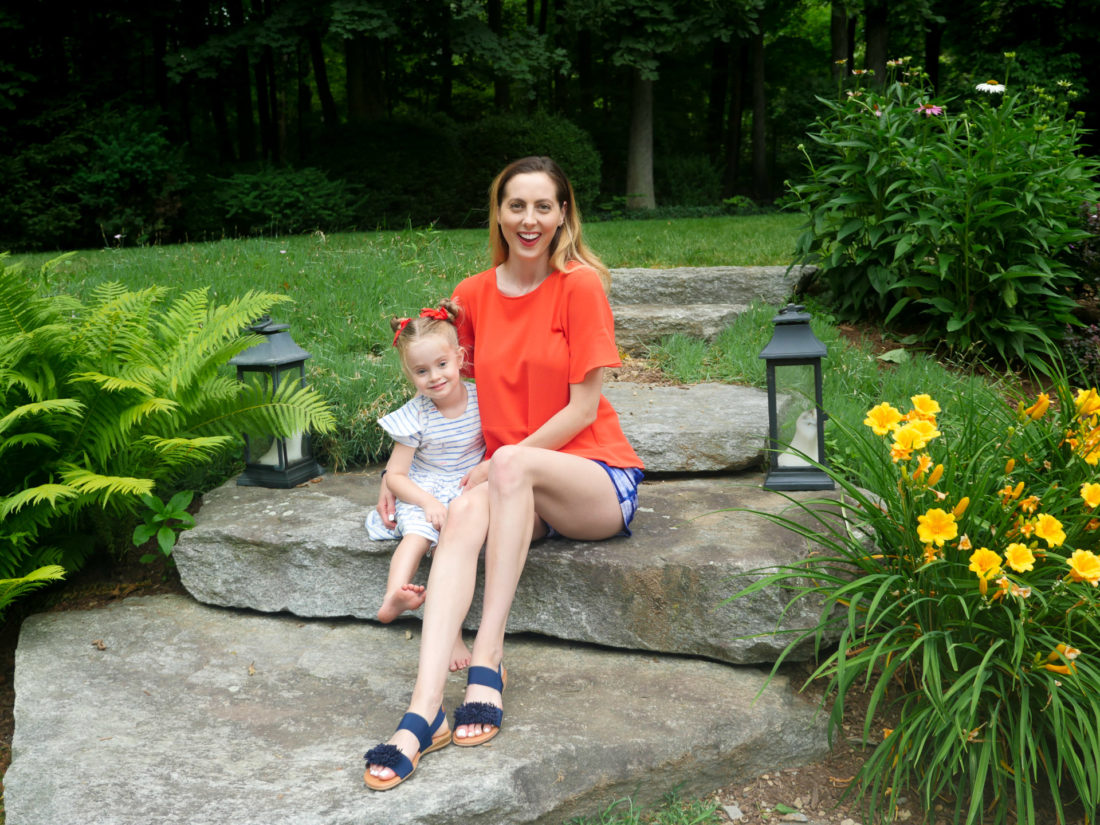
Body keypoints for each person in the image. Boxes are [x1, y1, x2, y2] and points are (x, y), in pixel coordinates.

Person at [364, 156, 644, 791]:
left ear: (564, 214)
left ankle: (487, 659)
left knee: (510, 463)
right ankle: (424, 710)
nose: (530, 219)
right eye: (516, 205)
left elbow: (582, 407)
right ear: (498, 212)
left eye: (544, 206)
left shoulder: (580, 286)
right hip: (512, 488)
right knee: (464, 511)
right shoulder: (469, 296)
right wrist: (397, 466)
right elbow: (434, 382)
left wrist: (498, 459)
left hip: (594, 479)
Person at [364, 301, 483, 672]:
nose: (434, 377)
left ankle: (453, 634)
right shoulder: (417, 414)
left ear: (460, 357)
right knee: (416, 537)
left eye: (442, 364)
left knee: (451, 551)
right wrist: (428, 502)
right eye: (421, 371)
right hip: (424, 488)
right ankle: (394, 594)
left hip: (465, 488)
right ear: (409, 373)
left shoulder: (482, 398)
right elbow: (396, 476)